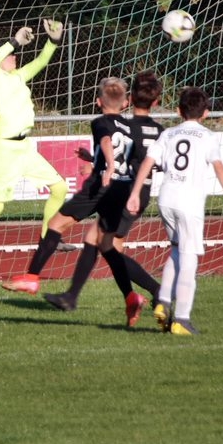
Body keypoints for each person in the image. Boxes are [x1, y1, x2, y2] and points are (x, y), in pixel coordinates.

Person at [1, 77, 149, 321]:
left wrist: (107, 165)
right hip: (121, 189)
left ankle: (32, 278)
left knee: (55, 224)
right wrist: (94, 160)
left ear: (98, 102)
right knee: (106, 247)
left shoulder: (100, 122)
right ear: (125, 103)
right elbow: (128, 156)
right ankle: (132, 297)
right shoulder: (131, 127)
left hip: (100, 187)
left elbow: (107, 141)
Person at [0, 20, 70, 289]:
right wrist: (14, 41)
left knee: (60, 187)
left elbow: (41, 62)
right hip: (5, 149)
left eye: (14, 53)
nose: (15, 57)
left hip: (24, 147)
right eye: (11, 54)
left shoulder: (17, 76)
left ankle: (47, 238)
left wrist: (53, 41)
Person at [43, 71, 165, 324]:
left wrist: (102, 166)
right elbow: (155, 163)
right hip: (140, 192)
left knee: (105, 245)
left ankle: (153, 291)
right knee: (101, 243)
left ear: (130, 99)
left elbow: (126, 161)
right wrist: (95, 160)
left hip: (129, 192)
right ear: (156, 101)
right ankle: (129, 296)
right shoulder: (160, 130)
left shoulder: (130, 128)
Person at [126, 86, 223, 335]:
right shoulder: (207, 136)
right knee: (190, 259)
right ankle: (182, 319)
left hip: (166, 198)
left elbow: (148, 162)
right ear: (206, 113)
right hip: (189, 202)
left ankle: (163, 301)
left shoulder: (168, 133)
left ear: (178, 111)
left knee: (177, 250)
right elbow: (219, 168)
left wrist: (135, 193)